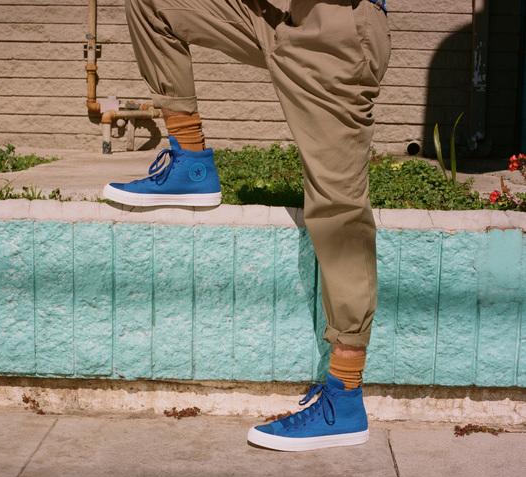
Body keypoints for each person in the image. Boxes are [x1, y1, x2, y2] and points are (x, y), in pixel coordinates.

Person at [103, 0, 391, 451]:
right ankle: (191, 161)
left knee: (338, 211)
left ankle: (344, 400)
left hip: (335, 33)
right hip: (284, 17)